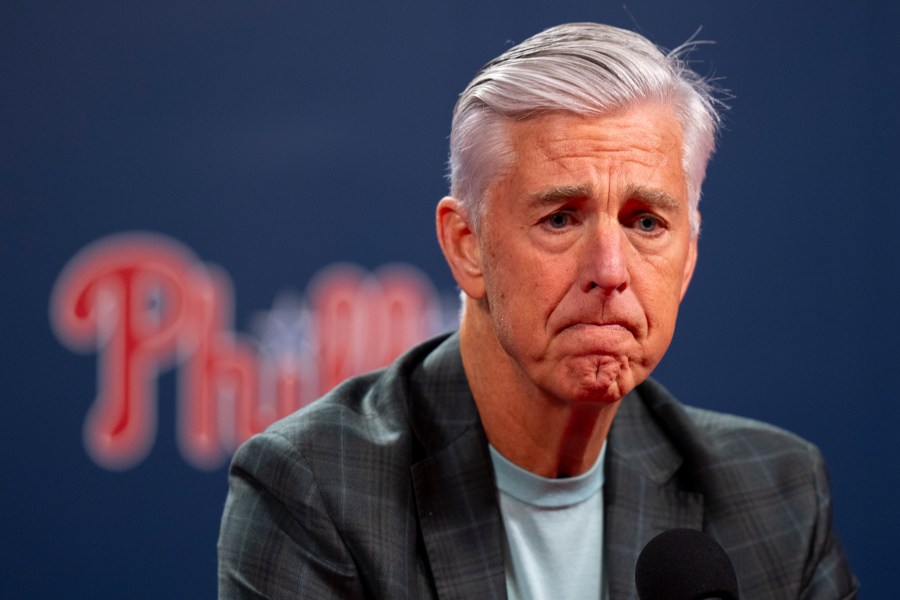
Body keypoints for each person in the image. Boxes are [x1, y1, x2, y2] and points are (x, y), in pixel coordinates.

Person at [218, 22, 858, 599]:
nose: (610, 271)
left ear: (687, 258)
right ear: (466, 247)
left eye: (645, 222)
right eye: (560, 218)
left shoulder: (779, 496)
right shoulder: (314, 490)